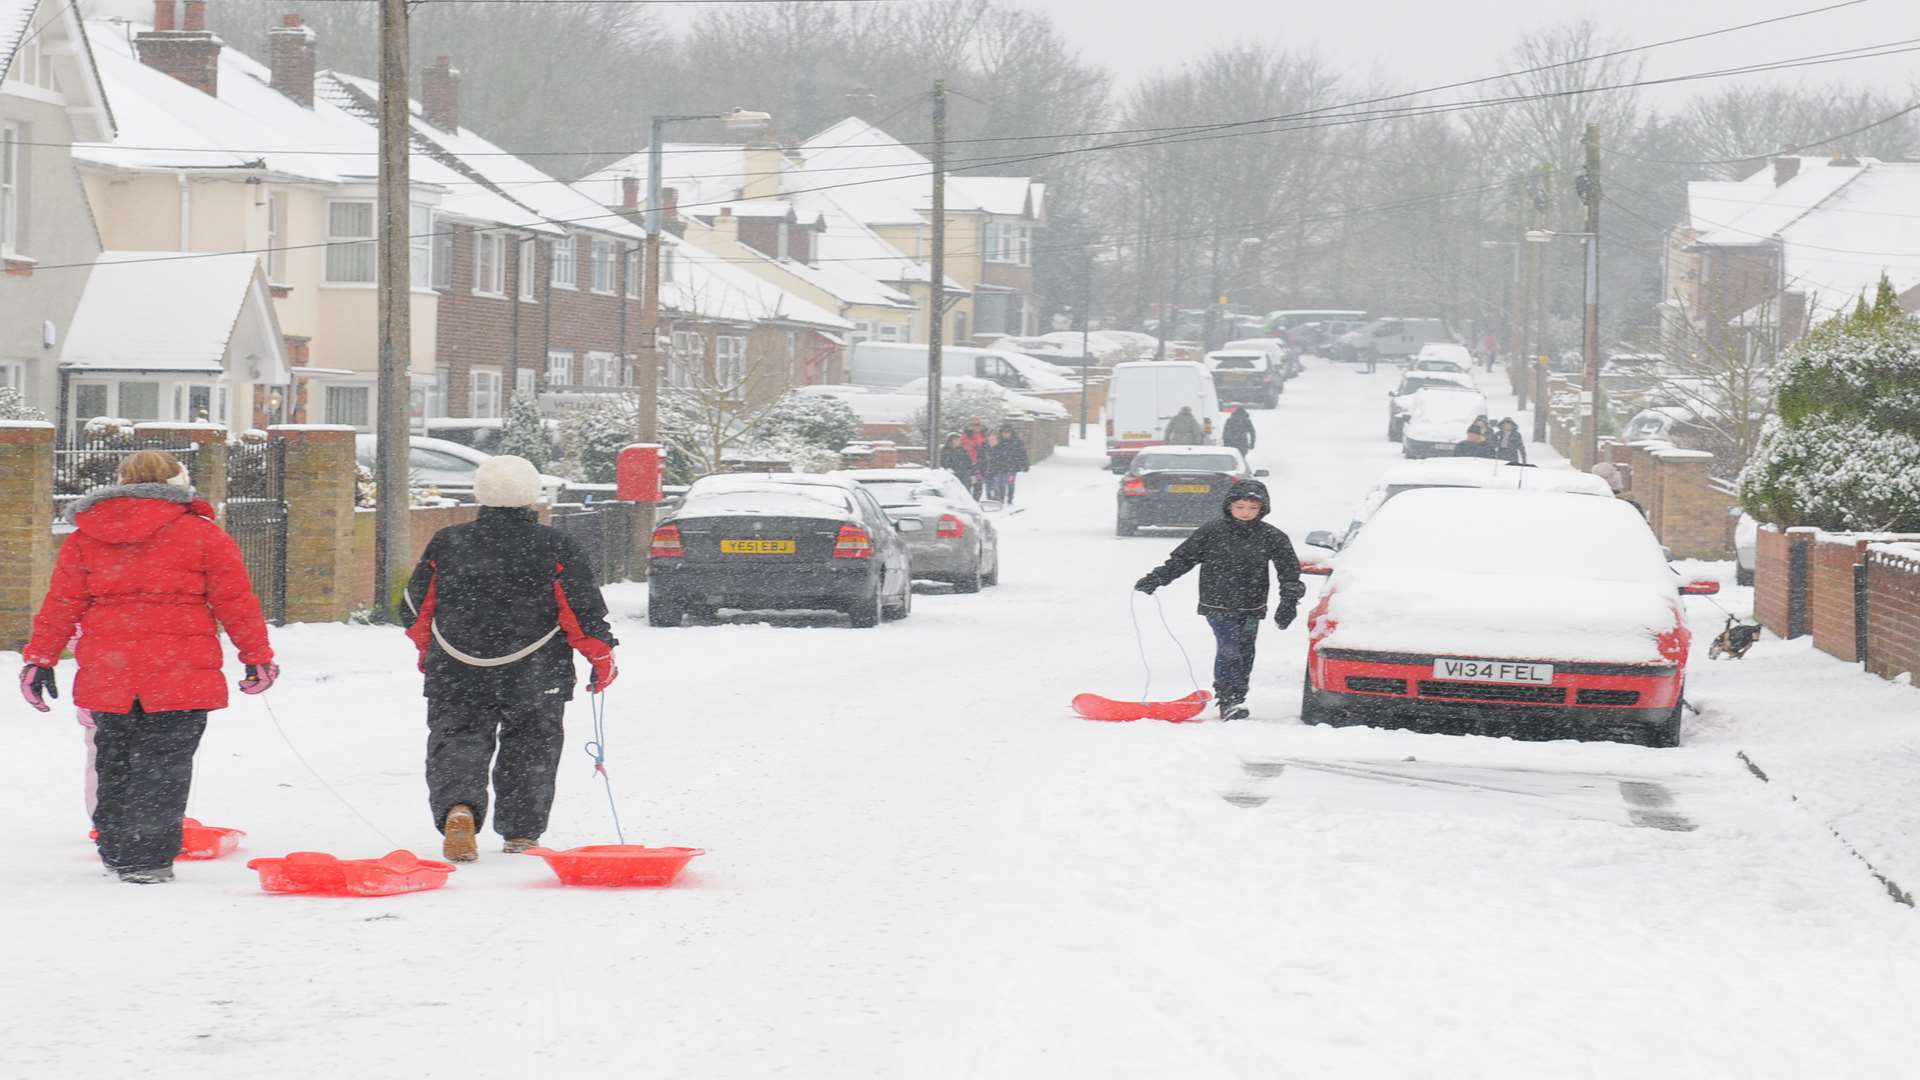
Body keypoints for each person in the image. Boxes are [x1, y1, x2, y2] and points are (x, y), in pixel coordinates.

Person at [20, 450, 276, 885]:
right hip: (181, 671)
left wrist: (39, 659)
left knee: (114, 758)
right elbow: (235, 602)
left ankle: (117, 848)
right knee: (165, 763)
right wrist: (256, 655)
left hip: (109, 670)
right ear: (179, 484)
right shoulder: (201, 534)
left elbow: (62, 603)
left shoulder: (86, 537)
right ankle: (148, 856)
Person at [404, 456, 618, 862]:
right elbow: (580, 612)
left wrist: (428, 651)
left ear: (479, 494)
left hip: (457, 667)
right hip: (536, 670)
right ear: (532, 495)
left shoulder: (448, 542)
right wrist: (601, 656)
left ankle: (459, 808)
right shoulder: (556, 545)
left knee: (457, 738)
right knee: (531, 744)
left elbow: (417, 607)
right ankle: (521, 832)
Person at [1133, 480, 1305, 721]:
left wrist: (1288, 601)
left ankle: (1238, 696)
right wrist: (1157, 578)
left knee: (1245, 651)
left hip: (1252, 605)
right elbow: (1183, 559)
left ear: (1262, 509)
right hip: (1217, 604)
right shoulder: (1212, 531)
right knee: (1229, 648)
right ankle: (1228, 700)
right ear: (1229, 506)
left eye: (1252, 508)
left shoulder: (1272, 536)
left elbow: (1289, 572)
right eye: (1240, 507)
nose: (1246, 513)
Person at [988, 423, 1030, 506]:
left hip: (1012, 467)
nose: (1006, 434)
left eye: (1008, 432)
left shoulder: (1017, 441)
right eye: (1004, 432)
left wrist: (1025, 464)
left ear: (1011, 432)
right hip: (1000, 466)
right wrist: (992, 465)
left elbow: (1023, 453)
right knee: (1000, 483)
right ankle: (1001, 499)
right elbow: (993, 454)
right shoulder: (999, 441)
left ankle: (1010, 499)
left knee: (1010, 483)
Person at [960, 417, 991, 498]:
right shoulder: (966, 434)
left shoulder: (984, 435)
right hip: (968, 462)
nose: (976, 427)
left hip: (980, 462)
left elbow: (987, 447)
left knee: (978, 484)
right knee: (968, 483)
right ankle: (967, 500)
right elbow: (966, 446)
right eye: (974, 425)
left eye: (978, 425)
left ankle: (975, 501)